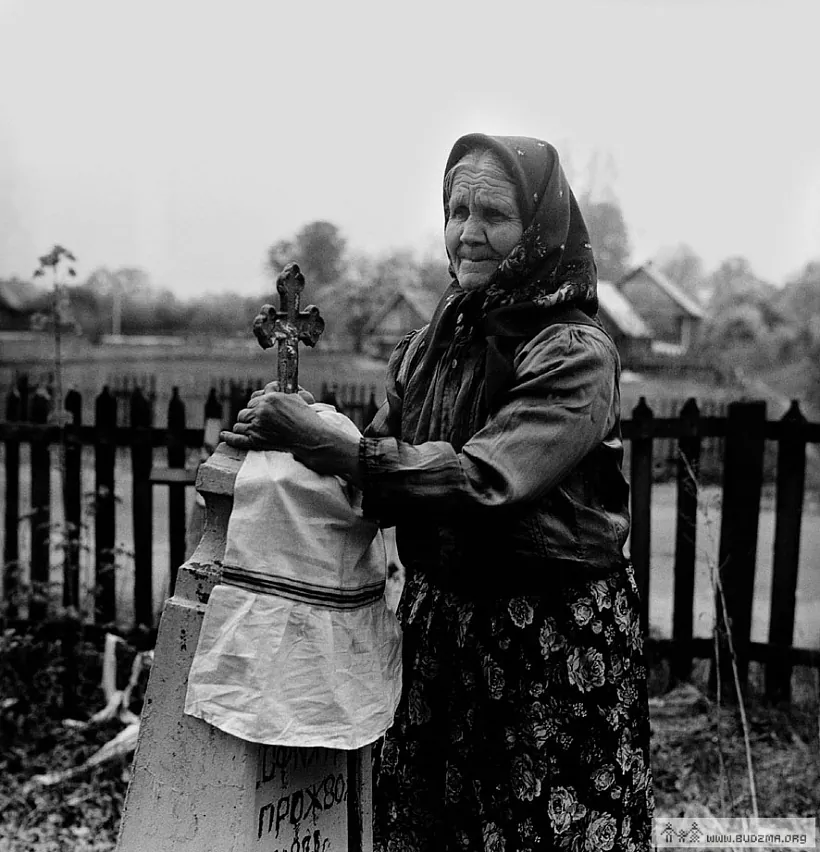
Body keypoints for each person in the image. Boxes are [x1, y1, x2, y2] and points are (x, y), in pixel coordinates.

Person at [222, 133, 654, 852]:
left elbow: (482, 478)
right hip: (443, 626)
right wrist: (290, 439)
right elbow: (382, 465)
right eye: (456, 210)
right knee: (430, 826)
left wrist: (328, 442)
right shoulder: (432, 342)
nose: (468, 233)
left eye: (494, 213)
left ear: (540, 228)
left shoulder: (573, 353)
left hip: (545, 639)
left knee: (539, 830)